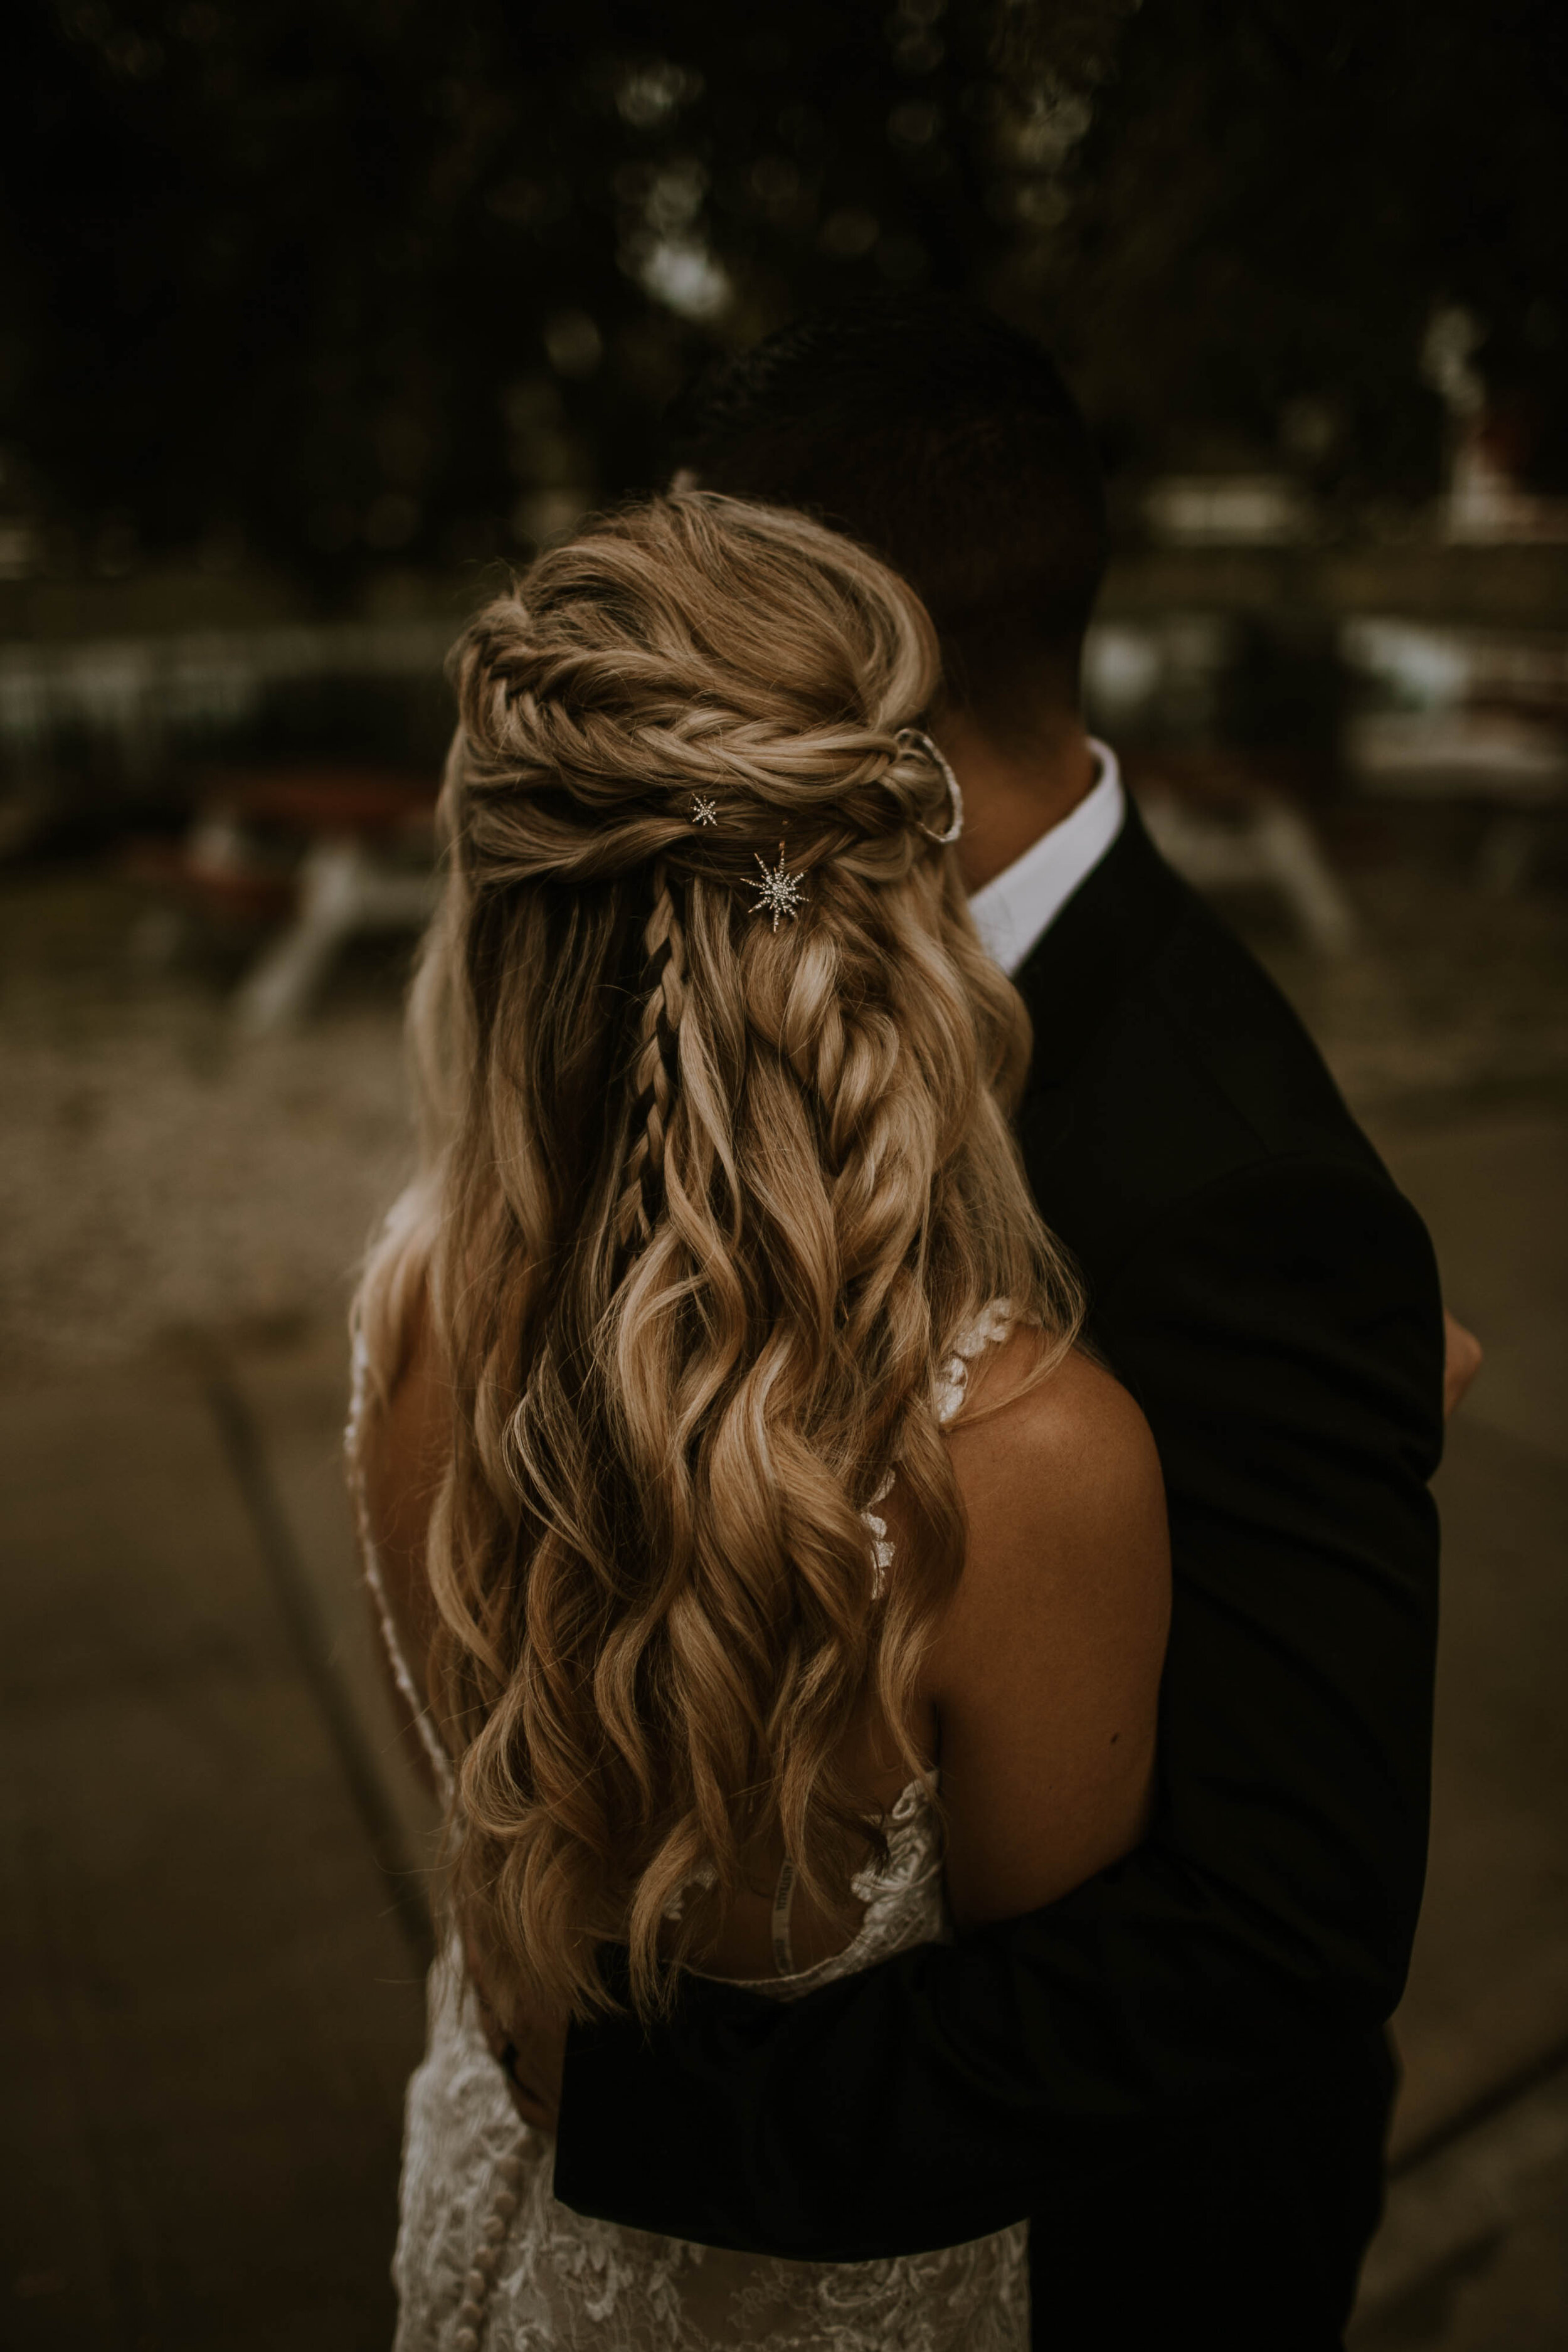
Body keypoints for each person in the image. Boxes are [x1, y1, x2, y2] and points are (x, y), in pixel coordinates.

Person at [526, 302, 1455, 2349]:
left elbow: (1269, 1933)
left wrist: (651, 2119)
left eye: (718, 633)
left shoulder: (1241, 1186)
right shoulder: (790, 970)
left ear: (878, 664)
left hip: (1122, 2261)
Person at [349, 489, 1172, 2350]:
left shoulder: (408, 1293)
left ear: (497, 901)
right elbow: (1057, 2062)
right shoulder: (1030, 1462)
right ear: (899, 883)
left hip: (487, 2227)